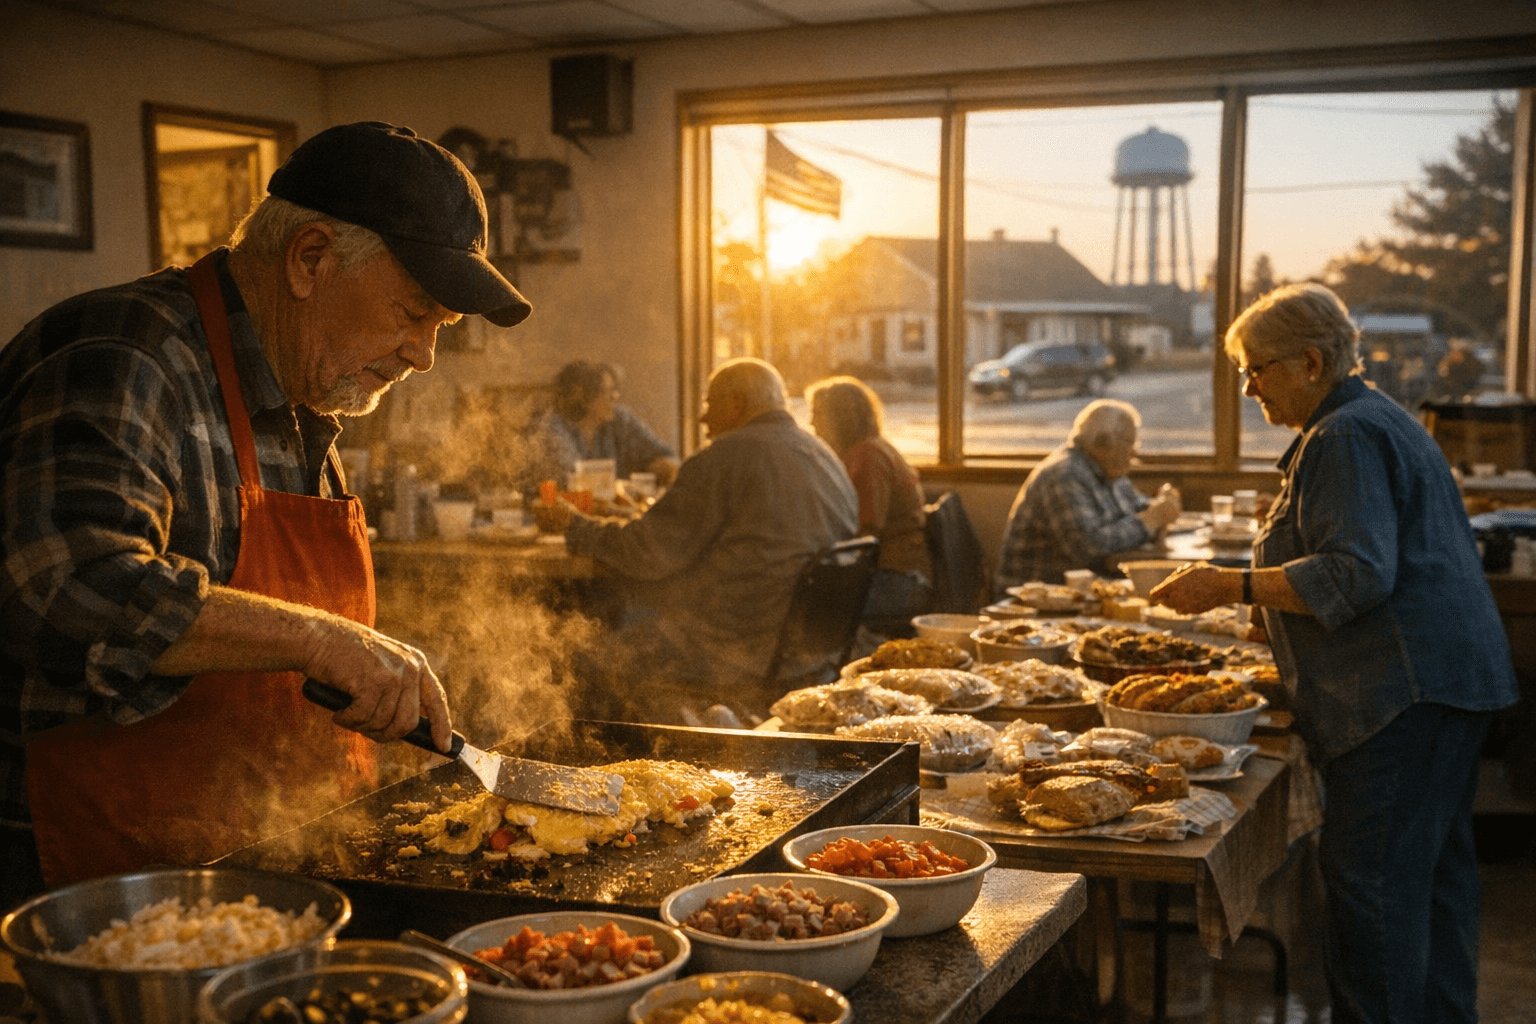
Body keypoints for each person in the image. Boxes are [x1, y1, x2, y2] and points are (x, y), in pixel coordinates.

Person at [0, 121, 532, 907]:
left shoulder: (301, 399)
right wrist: (322, 638)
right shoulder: (123, 353)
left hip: (267, 867)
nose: (423, 354)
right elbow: (62, 590)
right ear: (310, 258)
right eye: (413, 312)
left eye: (440, 330)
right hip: (104, 890)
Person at [1150, 282, 1518, 1024]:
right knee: (1435, 878)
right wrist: (1278, 621)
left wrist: (1233, 584)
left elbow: (1357, 573)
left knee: (1372, 888)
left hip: (1402, 698)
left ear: (1311, 363)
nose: (1248, 387)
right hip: (1449, 687)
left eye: (1257, 369)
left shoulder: (1342, 436)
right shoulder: (1374, 416)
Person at [536, 358, 857, 723]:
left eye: (709, 404)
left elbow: (649, 552)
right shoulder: (824, 455)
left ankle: (628, 770)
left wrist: (577, 526)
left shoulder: (726, 455)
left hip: (731, 642)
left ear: (736, 403)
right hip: (806, 647)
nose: (703, 419)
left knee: (590, 661)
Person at [994, 399, 1181, 592]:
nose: (1134, 452)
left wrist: (1161, 505)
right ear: (1102, 444)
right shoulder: (1065, 475)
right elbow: (1088, 547)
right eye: (1129, 443)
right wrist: (1149, 521)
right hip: (1035, 598)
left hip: (1080, 591)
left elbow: (1137, 508)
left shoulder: (1110, 470)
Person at [804, 376, 933, 627]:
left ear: (838, 418)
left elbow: (864, 535)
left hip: (899, 581)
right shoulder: (876, 447)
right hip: (907, 574)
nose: (811, 422)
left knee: (804, 605)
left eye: (817, 414)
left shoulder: (867, 457)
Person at [522, 359, 679, 493]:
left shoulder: (620, 419)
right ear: (583, 398)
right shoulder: (552, 426)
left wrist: (663, 467)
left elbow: (666, 457)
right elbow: (576, 481)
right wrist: (626, 487)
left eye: (615, 390)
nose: (615, 397)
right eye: (606, 391)